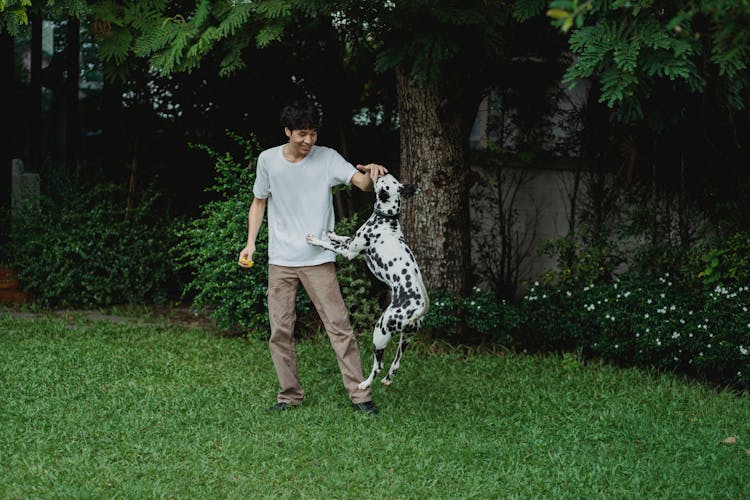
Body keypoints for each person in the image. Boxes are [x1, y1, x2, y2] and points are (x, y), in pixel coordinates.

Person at [238, 99, 387, 415]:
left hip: (318, 258)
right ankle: (289, 395)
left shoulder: (328, 158)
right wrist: (250, 243)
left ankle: (360, 396)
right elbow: (258, 202)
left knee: (339, 326)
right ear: (288, 131)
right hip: (280, 260)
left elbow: (360, 183)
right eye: (302, 134)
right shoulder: (268, 161)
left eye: (313, 134)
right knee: (280, 330)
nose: (309, 141)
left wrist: (372, 174)